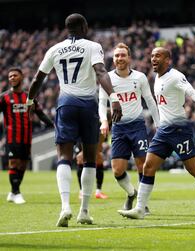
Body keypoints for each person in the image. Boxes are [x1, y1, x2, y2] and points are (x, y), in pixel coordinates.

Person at [26, 13, 122, 227]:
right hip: (88, 105)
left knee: (64, 156)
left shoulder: (54, 49)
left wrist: (29, 101)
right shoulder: (92, 46)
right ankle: (84, 211)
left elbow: (36, 79)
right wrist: (114, 98)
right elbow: (101, 72)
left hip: (66, 103)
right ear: (83, 26)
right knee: (90, 157)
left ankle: (65, 207)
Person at [118, 47, 195, 220]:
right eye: (152, 55)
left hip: (179, 130)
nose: (154, 59)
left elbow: (192, 92)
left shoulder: (176, 76)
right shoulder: (157, 77)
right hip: (163, 131)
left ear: (168, 60)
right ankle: (140, 208)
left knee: (194, 169)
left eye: (158, 56)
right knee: (148, 166)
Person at [98, 42, 160, 211]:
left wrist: (159, 125)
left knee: (142, 165)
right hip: (118, 128)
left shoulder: (139, 77)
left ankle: (142, 203)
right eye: (117, 55)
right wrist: (104, 120)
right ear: (113, 59)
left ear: (129, 58)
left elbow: (150, 101)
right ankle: (132, 193)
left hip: (138, 127)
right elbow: (102, 103)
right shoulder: (106, 78)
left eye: (123, 55)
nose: (119, 58)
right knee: (117, 170)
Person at [0, 67, 53, 204]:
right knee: (14, 163)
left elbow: (40, 114)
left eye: (15, 76)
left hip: (26, 138)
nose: (12, 78)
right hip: (11, 137)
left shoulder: (29, 98)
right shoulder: (4, 97)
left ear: (21, 77)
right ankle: (17, 193)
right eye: (10, 76)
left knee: (23, 165)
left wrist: (53, 125)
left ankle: (13, 192)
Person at [76, 132, 108, 199]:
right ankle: (82, 191)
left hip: (98, 126)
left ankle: (98, 192)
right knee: (82, 156)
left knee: (99, 157)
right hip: (84, 127)